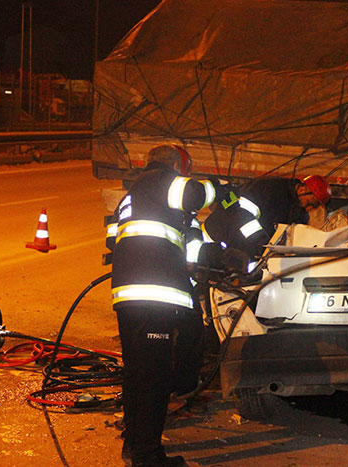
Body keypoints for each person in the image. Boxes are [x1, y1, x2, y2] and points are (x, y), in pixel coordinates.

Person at [106, 144, 221, 466]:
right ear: (176, 165)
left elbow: (111, 241)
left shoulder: (131, 196)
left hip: (130, 295)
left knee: (138, 375)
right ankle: (148, 457)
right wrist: (219, 189)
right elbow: (197, 195)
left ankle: (135, 444)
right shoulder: (162, 180)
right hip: (153, 295)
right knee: (153, 379)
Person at [201, 175, 332, 265]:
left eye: (312, 206)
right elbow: (239, 213)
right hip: (218, 233)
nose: (307, 208)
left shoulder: (299, 213)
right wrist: (260, 241)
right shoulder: (271, 188)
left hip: (243, 251)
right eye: (309, 202)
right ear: (303, 189)